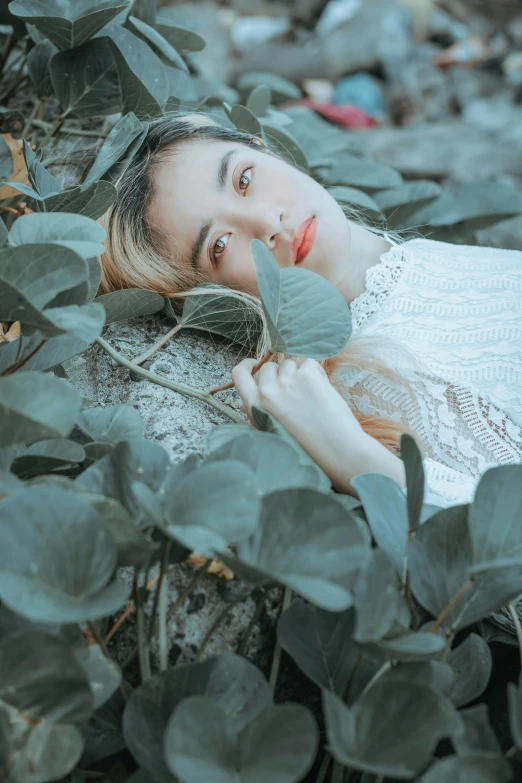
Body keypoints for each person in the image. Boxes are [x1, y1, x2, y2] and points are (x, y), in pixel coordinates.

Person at [98, 110, 522, 512]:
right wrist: (351, 456)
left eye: (244, 178)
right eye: (220, 246)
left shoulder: (411, 260)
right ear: (208, 298)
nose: (267, 221)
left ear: (261, 147)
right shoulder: (370, 375)